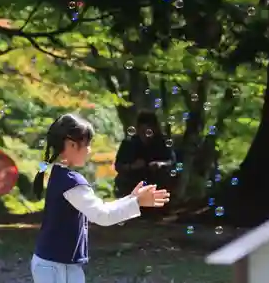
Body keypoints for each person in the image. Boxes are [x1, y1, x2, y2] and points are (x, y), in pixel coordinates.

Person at [31, 114, 171, 283]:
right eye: (87, 144)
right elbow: (102, 215)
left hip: (56, 263)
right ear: (71, 144)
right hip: (54, 266)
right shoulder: (71, 182)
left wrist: (131, 199)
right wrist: (137, 203)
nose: (89, 150)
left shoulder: (60, 175)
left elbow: (100, 207)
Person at [114, 111, 176, 198]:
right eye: (142, 132)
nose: (146, 136)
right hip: (132, 185)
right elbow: (118, 166)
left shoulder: (161, 142)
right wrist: (132, 166)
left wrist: (160, 164)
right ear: (138, 129)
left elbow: (172, 161)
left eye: (149, 132)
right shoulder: (128, 144)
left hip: (156, 184)